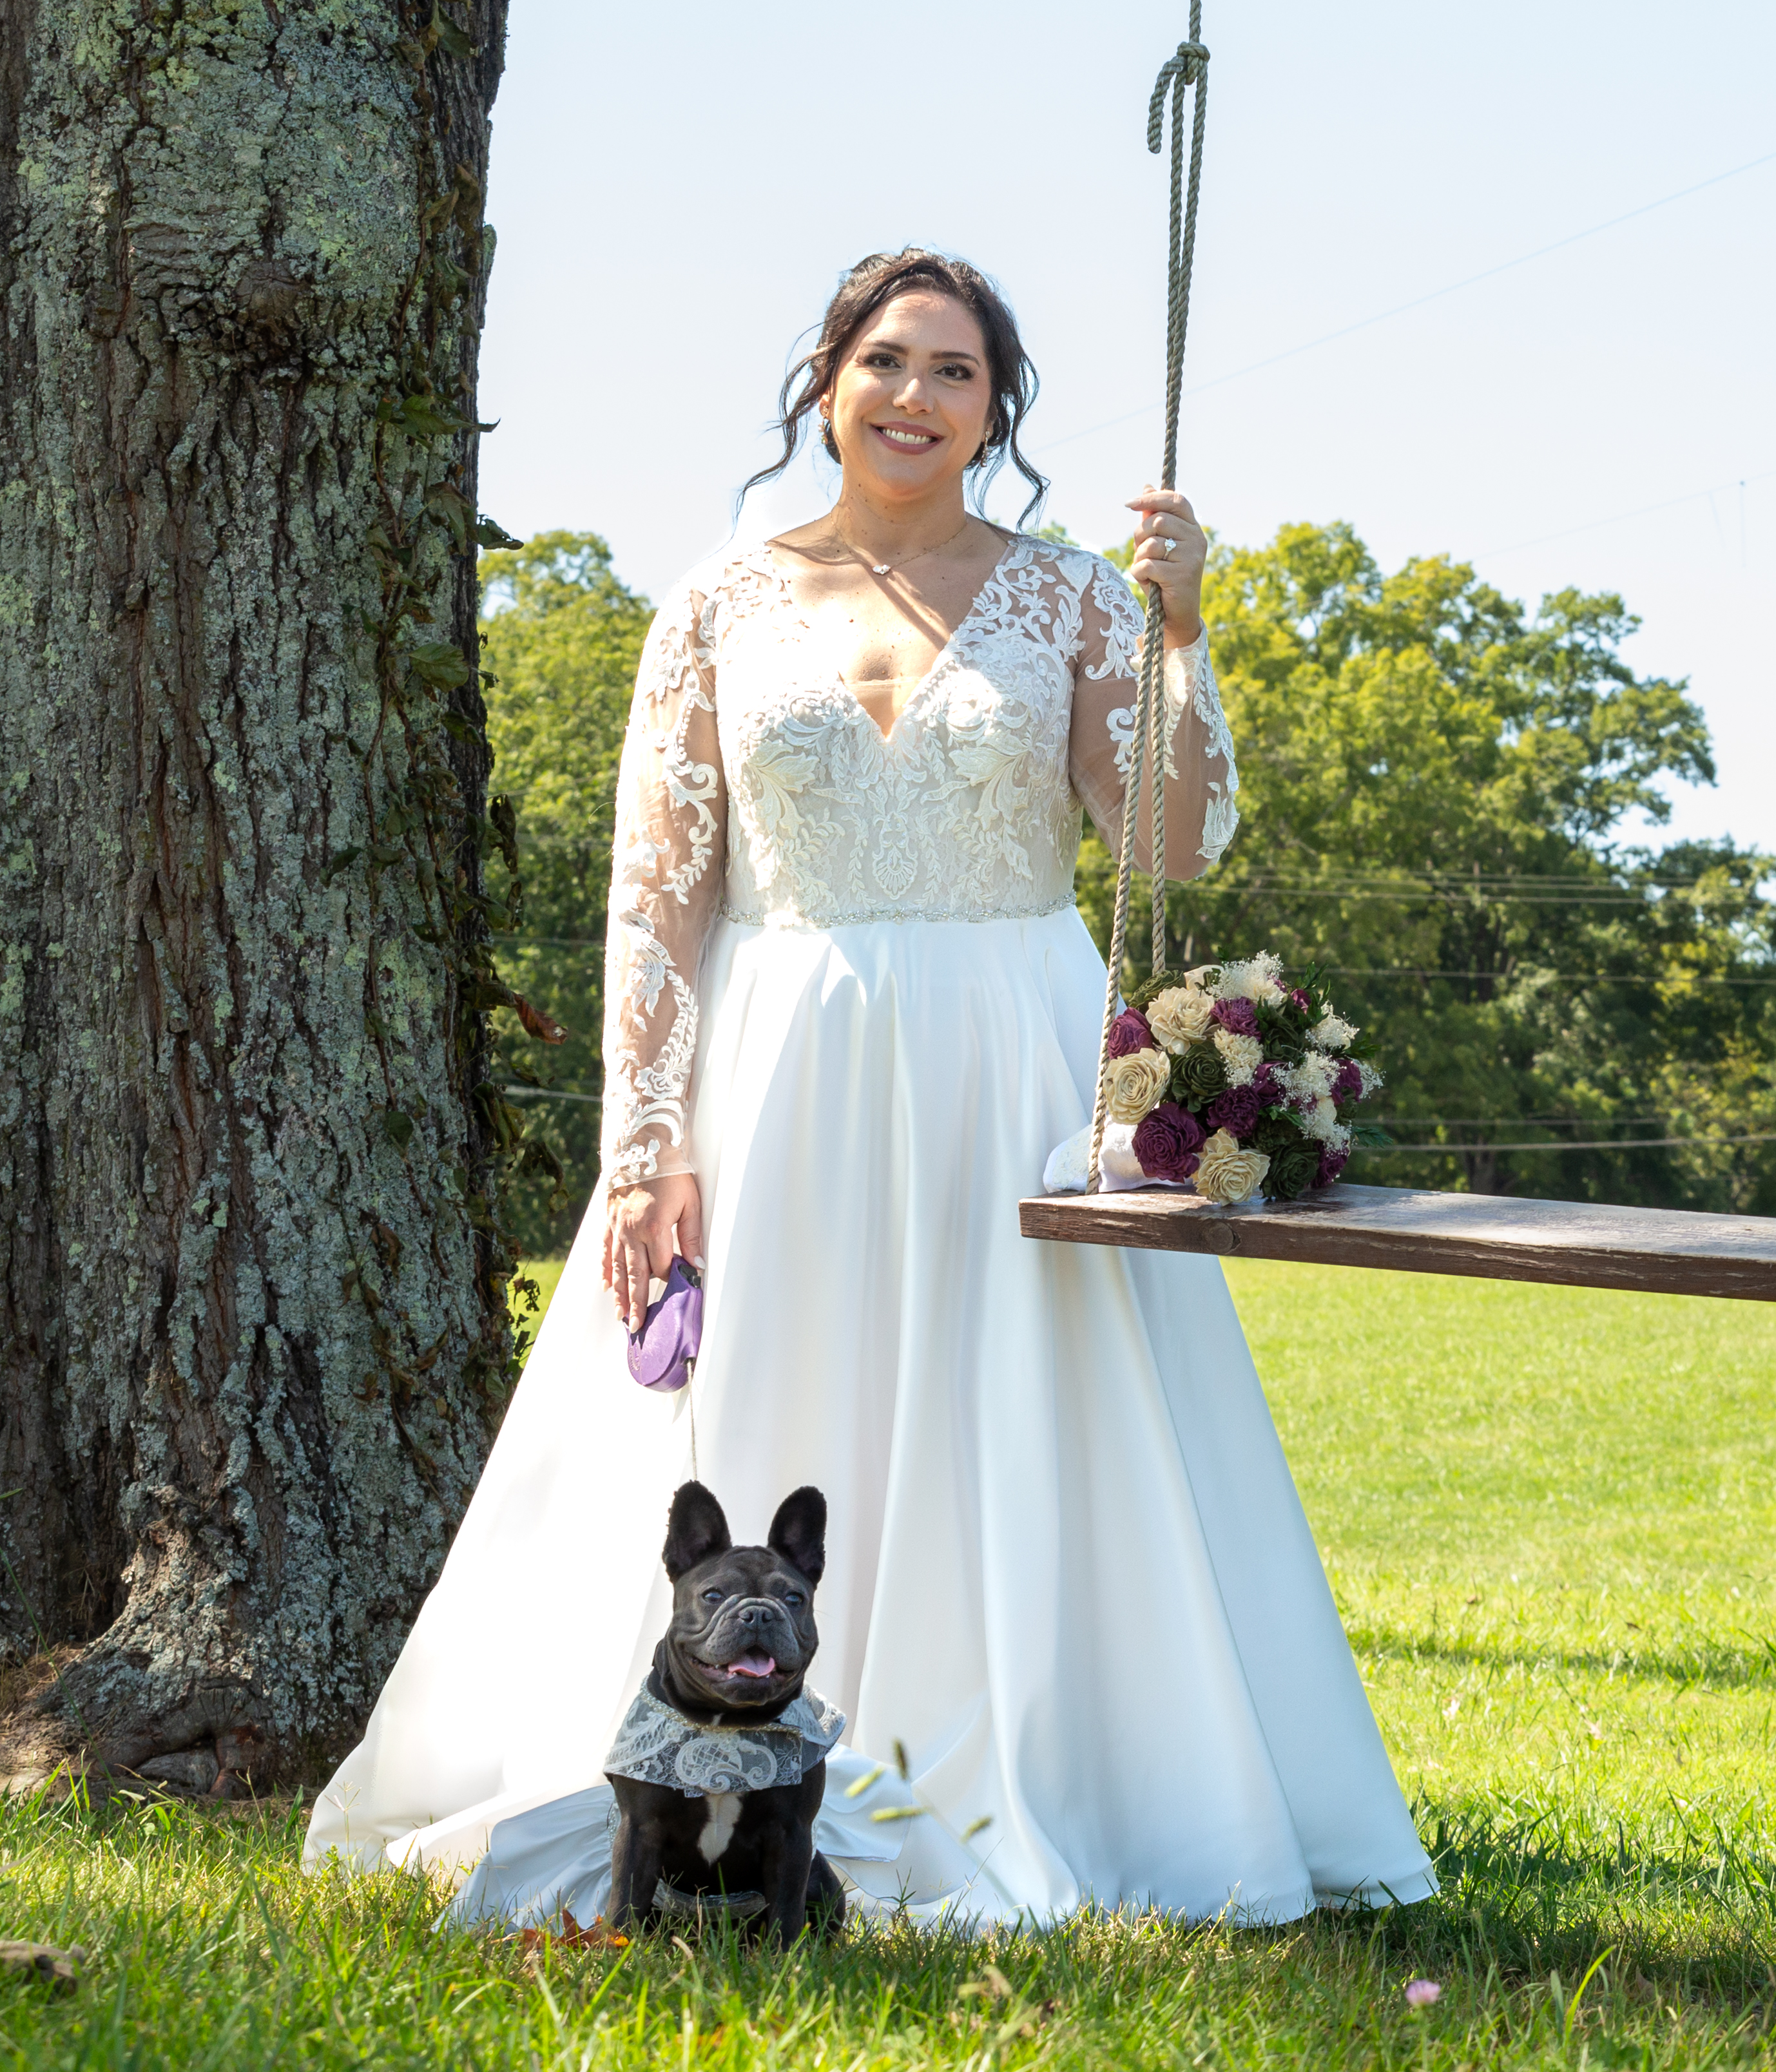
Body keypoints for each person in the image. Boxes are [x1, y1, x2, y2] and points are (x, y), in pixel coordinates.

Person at [301, 248, 1435, 1928]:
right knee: (764, 1393)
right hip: (782, 1058)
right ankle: (711, 1770)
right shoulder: (717, 604)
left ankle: (1052, 1769)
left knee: (1036, 1403)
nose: (916, 397)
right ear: (826, 382)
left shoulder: (1069, 598)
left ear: (998, 407)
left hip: (1014, 1046)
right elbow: (657, 895)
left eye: (956, 372)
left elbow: (1173, 842)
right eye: (888, 361)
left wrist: (1183, 627)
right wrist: (644, 1143)